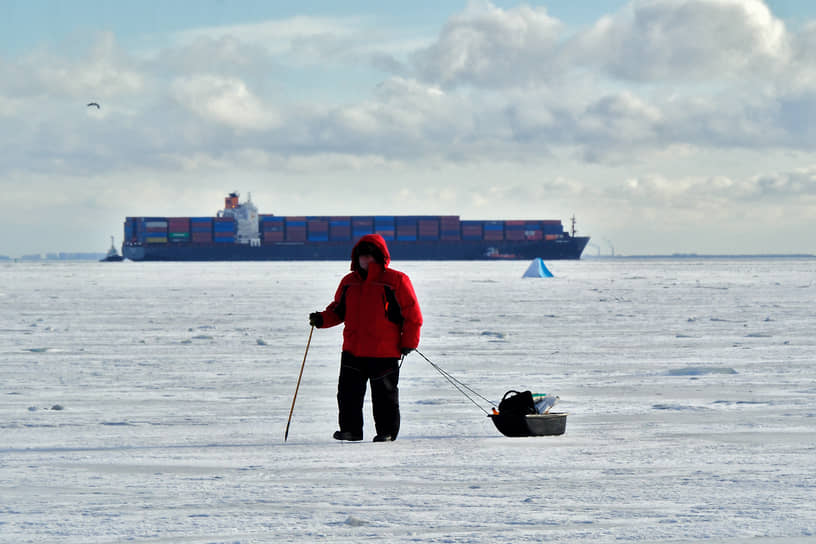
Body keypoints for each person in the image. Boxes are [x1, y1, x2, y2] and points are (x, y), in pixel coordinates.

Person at [309, 234, 422, 442]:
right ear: (356, 258)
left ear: (379, 257)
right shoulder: (348, 282)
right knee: (347, 395)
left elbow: (412, 315)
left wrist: (409, 342)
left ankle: (386, 432)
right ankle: (351, 431)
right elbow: (338, 310)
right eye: (362, 256)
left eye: (370, 256)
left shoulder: (396, 280)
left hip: (384, 351)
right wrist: (322, 319)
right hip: (353, 349)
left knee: (385, 397)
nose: (366, 260)